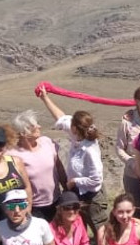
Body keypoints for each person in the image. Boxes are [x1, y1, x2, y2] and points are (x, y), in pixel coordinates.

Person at [38, 88, 106, 233]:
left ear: (75, 128)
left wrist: (75, 181)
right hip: (77, 193)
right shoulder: (77, 134)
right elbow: (61, 118)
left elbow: (96, 179)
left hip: (92, 196)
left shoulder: (90, 150)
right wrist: (45, 98)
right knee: (79, 228)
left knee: (100, 230)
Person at [7, 110, 65, 221]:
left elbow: (59, 169)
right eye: (34, 125)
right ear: (24, 132)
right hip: (33, 207)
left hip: (57, 201)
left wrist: (67, 191)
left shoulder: (47, 142)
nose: (40, 126)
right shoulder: (12, 154)